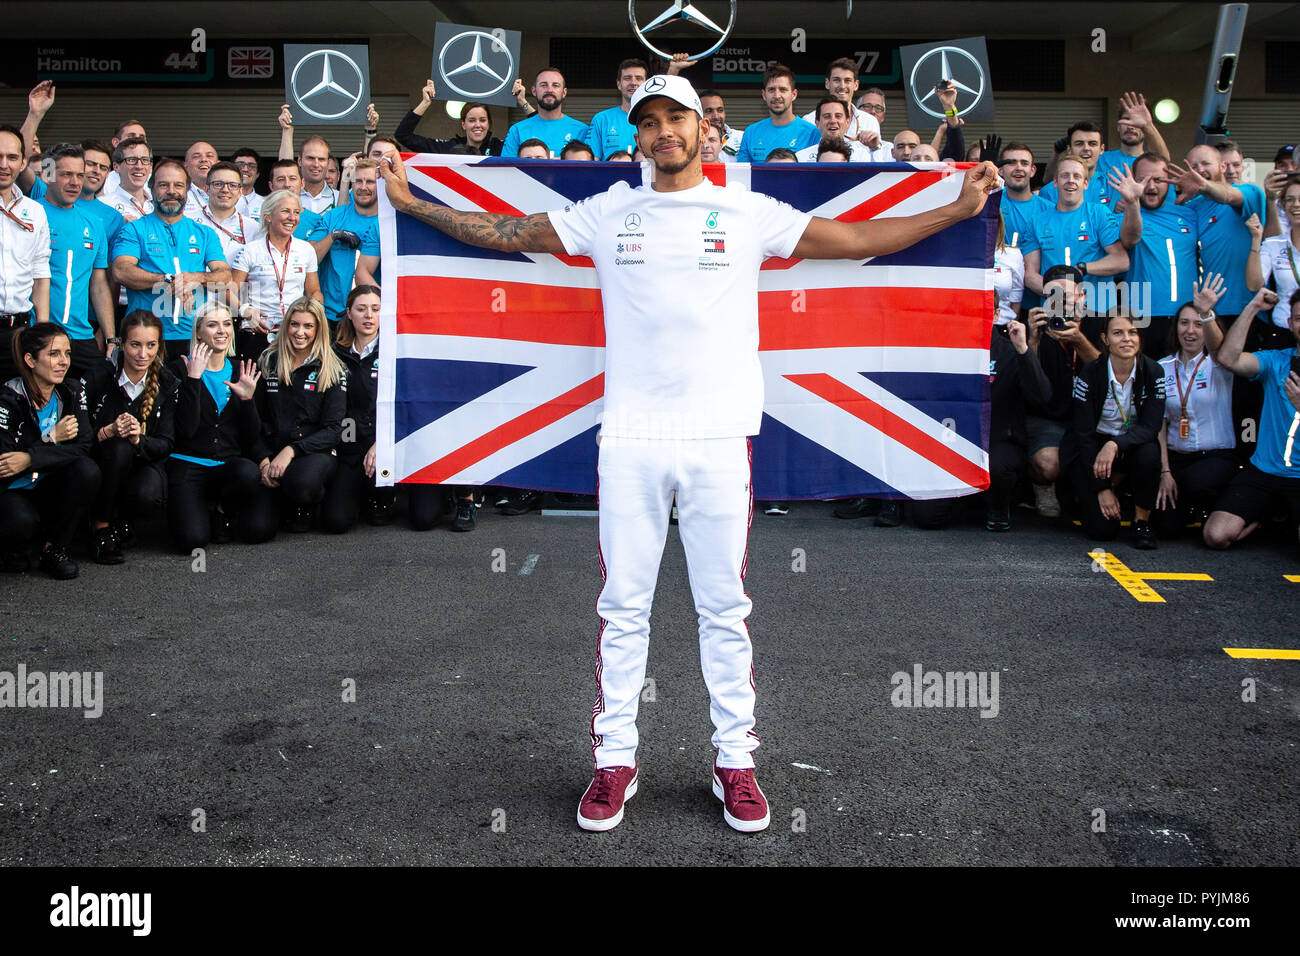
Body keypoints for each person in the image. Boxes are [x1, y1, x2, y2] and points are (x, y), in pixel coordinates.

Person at [378, 73, 1001, 834]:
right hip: (630, 439)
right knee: (621, 609)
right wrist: (412, 205)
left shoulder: (746, 210)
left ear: (705, 129)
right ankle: (614, 761)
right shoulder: (610, 211)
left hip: (718, 439)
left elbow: (859, 241)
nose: (664, 130)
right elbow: (515, 232)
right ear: (635, 133)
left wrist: (958, 208)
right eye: (651, 120)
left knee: (725, 610)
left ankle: (735, 762)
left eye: (677, 116)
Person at [323, 285, 453, 532]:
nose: (369, 316)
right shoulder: (334, 353)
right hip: (352, 443)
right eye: (361, 309)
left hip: (398, 439)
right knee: (336, 521)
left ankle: (398, 493)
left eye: (375, 309)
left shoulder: (399, 350)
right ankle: (373, 494)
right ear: (349, 313)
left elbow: (413, 403)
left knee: (424, 519)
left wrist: (384, 441)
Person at [908, 314, 1050, 532]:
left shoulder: (1010, 347)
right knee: (927, 517)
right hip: (955, 440)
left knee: (999, 467)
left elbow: (1042, 397)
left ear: (994, 313)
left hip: (999, 442)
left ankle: (999, 505)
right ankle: (970, 499)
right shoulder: (947, 349)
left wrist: (1023, 349)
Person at [0, 322, 100, 578]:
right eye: (54, 354)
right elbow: (7, 464)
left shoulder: (72, 391)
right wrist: (51, 438)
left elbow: (84, 447)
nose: (63, 362)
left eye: (67, 353)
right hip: (11, 491)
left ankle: (55, 549)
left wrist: (31, 457)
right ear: (31, 360)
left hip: (47, 485)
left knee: (87, 471)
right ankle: (15, 548)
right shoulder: (7, 398)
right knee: (21, 521)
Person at [1203, 287, 1300, 550]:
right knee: (1216, 536)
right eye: (1299, 318)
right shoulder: (1276, 360)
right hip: (1264, 472)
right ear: (1290, 324)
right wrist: (1253, 307)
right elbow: (1227, 358)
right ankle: (1267, 517)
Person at [81, 310, 180, 562]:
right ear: (122, 344)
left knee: (148, 493)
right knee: (118, 448)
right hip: (100, 462)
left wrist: (139, 440)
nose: (143, 354)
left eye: (151, 345)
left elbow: (166, 443)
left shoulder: (167, 382)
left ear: (159, 346)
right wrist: (108, 431)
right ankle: (100, 527)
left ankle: (123, 519)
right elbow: (79, 437)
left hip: (141, 465)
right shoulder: (98, 375)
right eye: (135, 345)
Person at [1061, 312, 1166, 547]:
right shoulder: (1090, 372)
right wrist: (1102, 489)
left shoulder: (1154, 371)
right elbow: (1083, 434)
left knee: (1149, 452)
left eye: (1133, 332)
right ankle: (1101, 493)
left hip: (1129, 445)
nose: (1127, 339)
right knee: (1102, 531)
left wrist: (1116, 444)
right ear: (1105, 339)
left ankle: (1142, 522)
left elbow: (1150, 427)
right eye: (1118, 333)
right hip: (1093, 448)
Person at [111, 158, 231, 362]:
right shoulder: (134, 229)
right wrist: (168, 280)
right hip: (145, 339)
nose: (171, 191)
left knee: (192, 394)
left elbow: (224, 276)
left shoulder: (204, 233)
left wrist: (196, 278)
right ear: (152, 189)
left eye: (178, 185)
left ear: (187, 190)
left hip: (193, 337)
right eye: (163, 185)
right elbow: (121, 271)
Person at [164, 301, 262, 552]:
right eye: (212, 325)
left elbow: (251, 437)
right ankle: (194, 506)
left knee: (248, 472)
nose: (222, 331)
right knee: (192, 541)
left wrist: (248, 400)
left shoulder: (241, 369)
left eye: (227, 324)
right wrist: (193, 380)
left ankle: (222, 510)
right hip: (188, 463)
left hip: (226, 466)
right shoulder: (179, 368)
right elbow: (186, 430)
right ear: (198, 332)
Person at [246, 298, 346, 539]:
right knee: (256, 532)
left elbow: (334, 430)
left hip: (312, 454)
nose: (300, 332)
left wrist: (291, 450)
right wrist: (262, 461)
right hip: (270, 454)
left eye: (308, 326)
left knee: (301, 484)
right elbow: (253, 420)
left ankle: (306, 504)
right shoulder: (268, 361)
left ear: (319, 329)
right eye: (294, 324)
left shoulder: (332, 368)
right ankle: (277, 499)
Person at [1153, 277, 1236, 538]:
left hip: (1216, 457)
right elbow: (1160, 424)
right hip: (1178, 460)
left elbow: (1218, 347)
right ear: (1175, 327)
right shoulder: (1161, 368)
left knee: (1197, 481)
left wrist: (1206, 312)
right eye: (1184, 323)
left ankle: (1219, 509)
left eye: (1198, 325)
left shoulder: (1219, 364)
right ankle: (1193, 511)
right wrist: (1165, 472)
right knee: (1165, 527)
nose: (1191, 331)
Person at [1023, 265, 1104, 519]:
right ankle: (1042, 485)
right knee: (1049, 463)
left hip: (1091, 417)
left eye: (1066, 297)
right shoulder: (1036, 325)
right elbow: (1029, 389)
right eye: (1052, 297)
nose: (1060, 304)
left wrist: (1080, 341)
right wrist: (1032, 343)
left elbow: (1112, 374)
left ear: (1082, 296)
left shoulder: (1099, 322)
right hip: (1049, 416)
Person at [1021, 155, 1136, 314]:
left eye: (1077, 176)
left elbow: (1121, 260)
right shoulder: (1037, 221)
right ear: (1055, 182)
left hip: (1097, 311)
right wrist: (1059, 295)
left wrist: (1082, 268)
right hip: (1054, 312)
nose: (1070, 180)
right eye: (1064, 176)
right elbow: (1030, 275)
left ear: (1086, 183)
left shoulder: (1099, 213)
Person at [39, 143, 116, 378]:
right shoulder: (32, 213)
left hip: (81, 338)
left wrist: (110, 337)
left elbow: (99, 285)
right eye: (66, 175)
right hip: (39, 335)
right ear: (48, 175)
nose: (75, 182)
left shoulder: (93, 223)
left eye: (80, 175)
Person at [1116, 152, 1199, 358]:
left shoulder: (1188, 214)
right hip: (1141, 318)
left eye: (1159, 180)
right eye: (1144, 180)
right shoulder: (1123, 215)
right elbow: (1130, 239)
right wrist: (1133, 202)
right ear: (1133, 181)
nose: (1152, 186)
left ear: (1169, 182)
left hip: (1185, 319)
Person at [229, 190, 321, 361]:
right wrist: (246, 311)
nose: (292, 217)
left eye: (296, 212)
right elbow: (227, 291)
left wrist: (311, 315)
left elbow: (314, 292)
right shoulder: (251, 249)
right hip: (257, 332)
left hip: (293, 333)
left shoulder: (306, 250)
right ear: (268, 216)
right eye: (285, 211)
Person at [0, 125, 50, 383]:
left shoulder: (36, 211)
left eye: (11, 157)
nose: (4, 164)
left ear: (22, 163)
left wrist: (41, 330)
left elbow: (41, 273)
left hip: (19, 333)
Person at [309, 161, 380, 322]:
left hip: (371, 316)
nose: (363, 187)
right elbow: (309, 258)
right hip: (331, 315)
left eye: (370, 182)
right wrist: (333, 235)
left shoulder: (389, 222)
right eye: (358, 181)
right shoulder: (333, 216)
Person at [1246, 176, 1300, 350]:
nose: (1296, 204)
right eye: (1290, 200)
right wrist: (1256, 239)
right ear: (1283, 206)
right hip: (1283, 333)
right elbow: (1254, 285)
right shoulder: (1273, 244)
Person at [1092, 92, 1170, 206]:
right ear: (1118, 126)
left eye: (1137, 121)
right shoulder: (1100, 159)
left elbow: (1164, 159)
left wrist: (1147, 125)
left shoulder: (1151, 163)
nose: (1131, 125)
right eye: (1126, 120)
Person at [395, 81, 514, 156]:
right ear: (463, 124)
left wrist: (523, 102)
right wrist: (425, 103)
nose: (477, 125)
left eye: (482, 120)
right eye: (471, 120)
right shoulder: (449, 148)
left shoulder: (500, 147)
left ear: (489, 123)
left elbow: (532, 143)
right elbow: (403, 135)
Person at [736, 65, 821, 164]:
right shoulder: (751, 132)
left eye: (783, 89)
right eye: (771, 90)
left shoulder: (813, 133)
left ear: (794, 94)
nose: (777, 96)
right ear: (764, 95)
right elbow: (742, 175)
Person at [501, 68, 588, 159]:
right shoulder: (517, 130)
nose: (549, 90)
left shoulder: (582, 130)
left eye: (555, 85)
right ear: (534, 91)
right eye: (543, 85)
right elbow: (507, 168)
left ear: (564, 92)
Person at [799, 58, 880, 149]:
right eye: (837, 80)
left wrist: (875, 147)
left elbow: (877, 161)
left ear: (856, 85)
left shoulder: (870, 121)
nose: (842, 86)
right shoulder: (809, 120)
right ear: (827, 83)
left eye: (847, 81)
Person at [187, 160, 252, 262]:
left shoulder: (252, 228)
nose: (225, 190)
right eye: (218, 184)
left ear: (240, 192)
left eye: (233, 185)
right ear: (207, 189)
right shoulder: (188, 221)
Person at [585, 59, 649, 161]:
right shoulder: (601, 119)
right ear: (619, 84)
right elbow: (592, 163)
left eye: (638, 78)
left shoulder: (654, 119)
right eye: (627, 78)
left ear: (646, 84)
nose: (633, 83)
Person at [277, 109, 338, 214]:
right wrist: (287, 130)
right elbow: (284, 167)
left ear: (328, 163)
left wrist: (370, 131)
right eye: (310, 158)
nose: (316, 164)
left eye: (321, 159)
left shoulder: (340, 198)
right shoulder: (289, 193)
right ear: (299, 161)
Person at [1040, 121, 1108, 206]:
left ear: (1101, 149)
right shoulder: (1048, 192)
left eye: (1092, 144)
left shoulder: (1113, 186)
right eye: (1079, 143)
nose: (1086, 148)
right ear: (1069, 149)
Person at [794, 99, 873, 163]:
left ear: (847, 122)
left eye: (838, 116)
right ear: (817, 123)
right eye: (827, 116)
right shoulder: (801, 157)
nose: (833, 121)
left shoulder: (862, 156)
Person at [998, 143, 1042, 250]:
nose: (1018, 168)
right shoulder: (990, 201)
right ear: (1000, 170)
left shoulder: (1048, 209)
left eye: (1024, 163)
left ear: (1032, 171)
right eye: (1011, 163)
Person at [102, 136, 153, 225]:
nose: (139, 166)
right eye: (132, 160)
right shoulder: (103, 205)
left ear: (150, 167)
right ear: (116, 167)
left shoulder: (158, 206)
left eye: (144, 160)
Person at [698, 90, 743, 162]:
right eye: (709, 111)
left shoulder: (742, 137)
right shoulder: (692, 140)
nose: (716, 116)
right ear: (698, 114)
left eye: (720, 110)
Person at [181, 141, 219, 219]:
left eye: (209, 156)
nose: (203, 159)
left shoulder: (234, 194)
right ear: (186, 165)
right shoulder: (178, 194)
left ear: (218, 164)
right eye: (196, 156)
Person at [856, 87, 891, 157]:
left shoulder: (890, 150)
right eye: (867, 106)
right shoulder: (848, 143)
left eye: (878, 108)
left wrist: (875, 147)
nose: (873, 111)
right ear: (857, 112)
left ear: (883, 117)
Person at [231, 148, 265, 221]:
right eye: (240, 165)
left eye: (251, 166)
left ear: (257, 174)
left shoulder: (266, 204)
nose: (245, 169)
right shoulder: (222, 200)